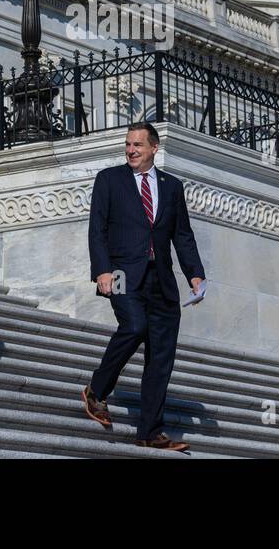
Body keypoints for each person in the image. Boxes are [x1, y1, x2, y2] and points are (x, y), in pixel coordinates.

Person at [81, 123, 205, 452]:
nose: (131, 149)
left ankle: (150, 430)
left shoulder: (172, 186)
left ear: (154, 148)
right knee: (134, 326)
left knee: (161, 356)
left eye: (137, 144)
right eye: (127, 144)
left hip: (161, 279)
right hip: (121, 273)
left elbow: (182, 234)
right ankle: (97, 388)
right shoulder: (109, 179)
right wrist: (102, 270)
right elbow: (97, 228)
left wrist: (195, 274)